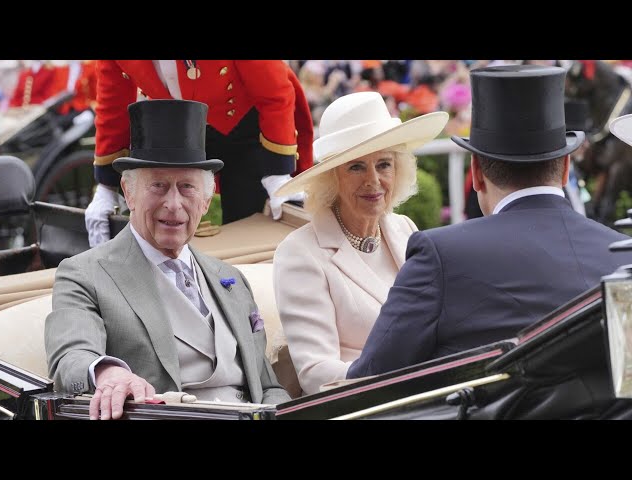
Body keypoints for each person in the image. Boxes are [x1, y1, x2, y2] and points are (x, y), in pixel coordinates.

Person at [347, 65, 632, 379]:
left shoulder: (440, 254)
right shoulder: (620, 254)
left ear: (477, 173)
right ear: (565, 168)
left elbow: (368, 381)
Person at [45, 99, 290, 420]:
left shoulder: (228, 278)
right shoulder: (84, 274)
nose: (173, 204)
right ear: (128, 192)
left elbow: (267, 387)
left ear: (205, 201)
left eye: (186, 187)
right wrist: (109, 374)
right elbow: (71, 354)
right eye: (158, 186)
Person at [272, 91, 449, 395]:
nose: (373, 180)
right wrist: (399, 381)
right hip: (361, 405)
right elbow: (316, 373)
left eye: (384, 164)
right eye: (356, 167)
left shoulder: (404, 229)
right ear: (331, 179)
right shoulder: (300, 253)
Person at [84, 60, 314, 247]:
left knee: (248, 221)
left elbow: (273, 93)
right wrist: (106, 187)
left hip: (247, 125)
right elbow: (113, 106)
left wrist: (277, 174)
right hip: (182, 122)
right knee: (166, 209)